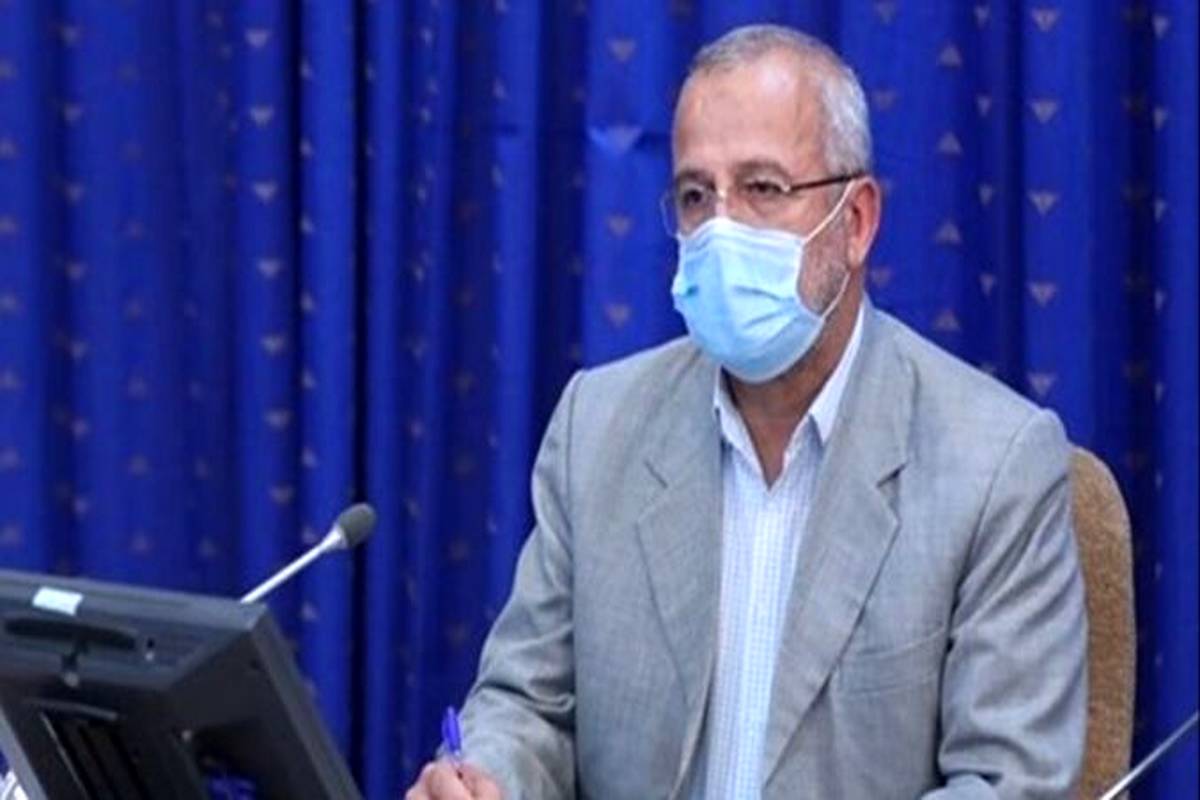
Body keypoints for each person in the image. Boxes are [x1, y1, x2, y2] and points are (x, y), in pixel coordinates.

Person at [407, 24, 1086, 800]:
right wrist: (487, 777)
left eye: (762, 189)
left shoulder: (995, 464)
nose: (722, 229)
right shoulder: (597, 427)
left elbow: (1006, 783)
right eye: (697, 196)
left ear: (856, 221)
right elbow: (528, 704)